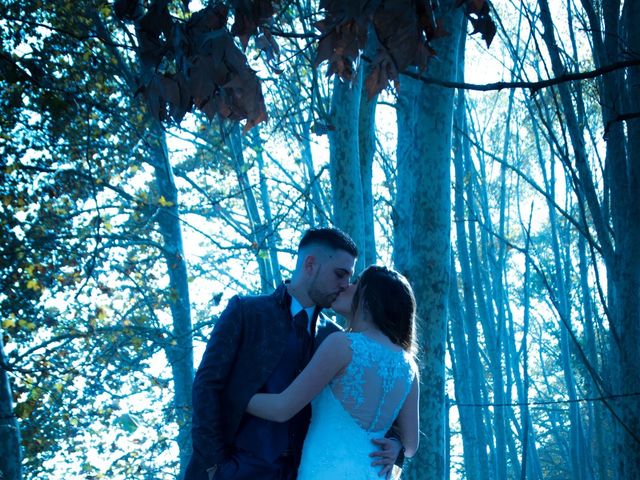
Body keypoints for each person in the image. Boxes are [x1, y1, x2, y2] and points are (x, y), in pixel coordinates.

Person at [184, 228, 403, 480]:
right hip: (235, 467)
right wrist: (214, 466)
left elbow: (373, 405)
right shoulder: (247, 312)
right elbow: (206, 386)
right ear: (310, 264)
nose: (345, 285)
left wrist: (395, 444)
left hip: (300, 473)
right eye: (340, 274)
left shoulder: (336, 339)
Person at [246, 265, 420, 479]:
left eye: (355, 283)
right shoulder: (409, 366)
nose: (346, 286)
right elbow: (411, 445)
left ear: (368, 298)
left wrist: (233, 397)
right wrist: (395, 443)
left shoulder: (343, 345)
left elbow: (282, 407)